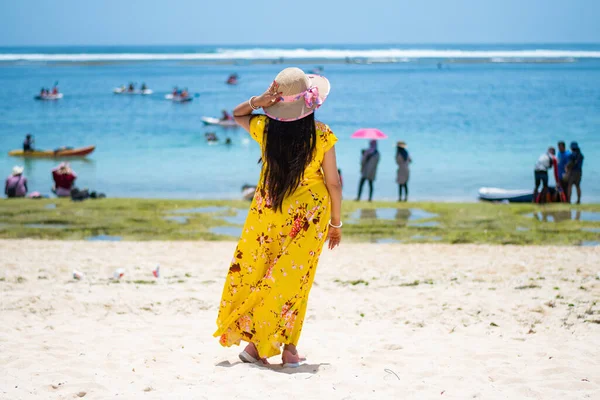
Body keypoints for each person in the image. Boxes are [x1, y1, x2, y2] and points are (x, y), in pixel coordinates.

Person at [214, 67, 342, 367]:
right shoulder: (321, 134)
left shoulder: (265, 129)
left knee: (266, 275)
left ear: (279, 102)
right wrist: (336, 223)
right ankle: (276, 348)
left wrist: (260, 100)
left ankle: (271, 347)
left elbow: (237, 114)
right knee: (295, 280)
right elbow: (334, 183)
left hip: (269, 213)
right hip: (309, 216)